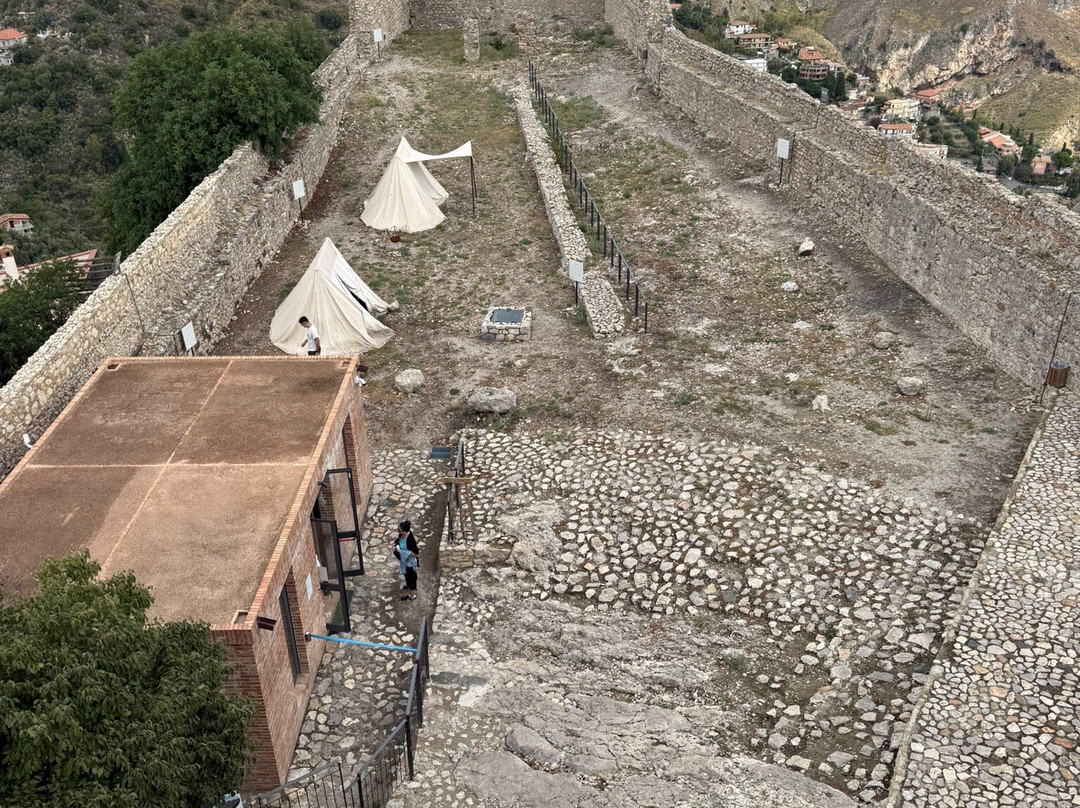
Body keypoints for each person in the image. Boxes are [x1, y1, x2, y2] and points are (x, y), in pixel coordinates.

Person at [393, 520, 419, 601]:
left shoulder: (410, 540)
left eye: (400, 530)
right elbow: (398, 540)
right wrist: (395, 544)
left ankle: (412, 596)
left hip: (410, 563)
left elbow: (416, 554)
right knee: (407, 575)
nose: (398, 531)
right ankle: (409, 585)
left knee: (411, 579)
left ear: (405, 531)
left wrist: (402, 552)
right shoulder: (402, 534)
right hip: (405, 561)